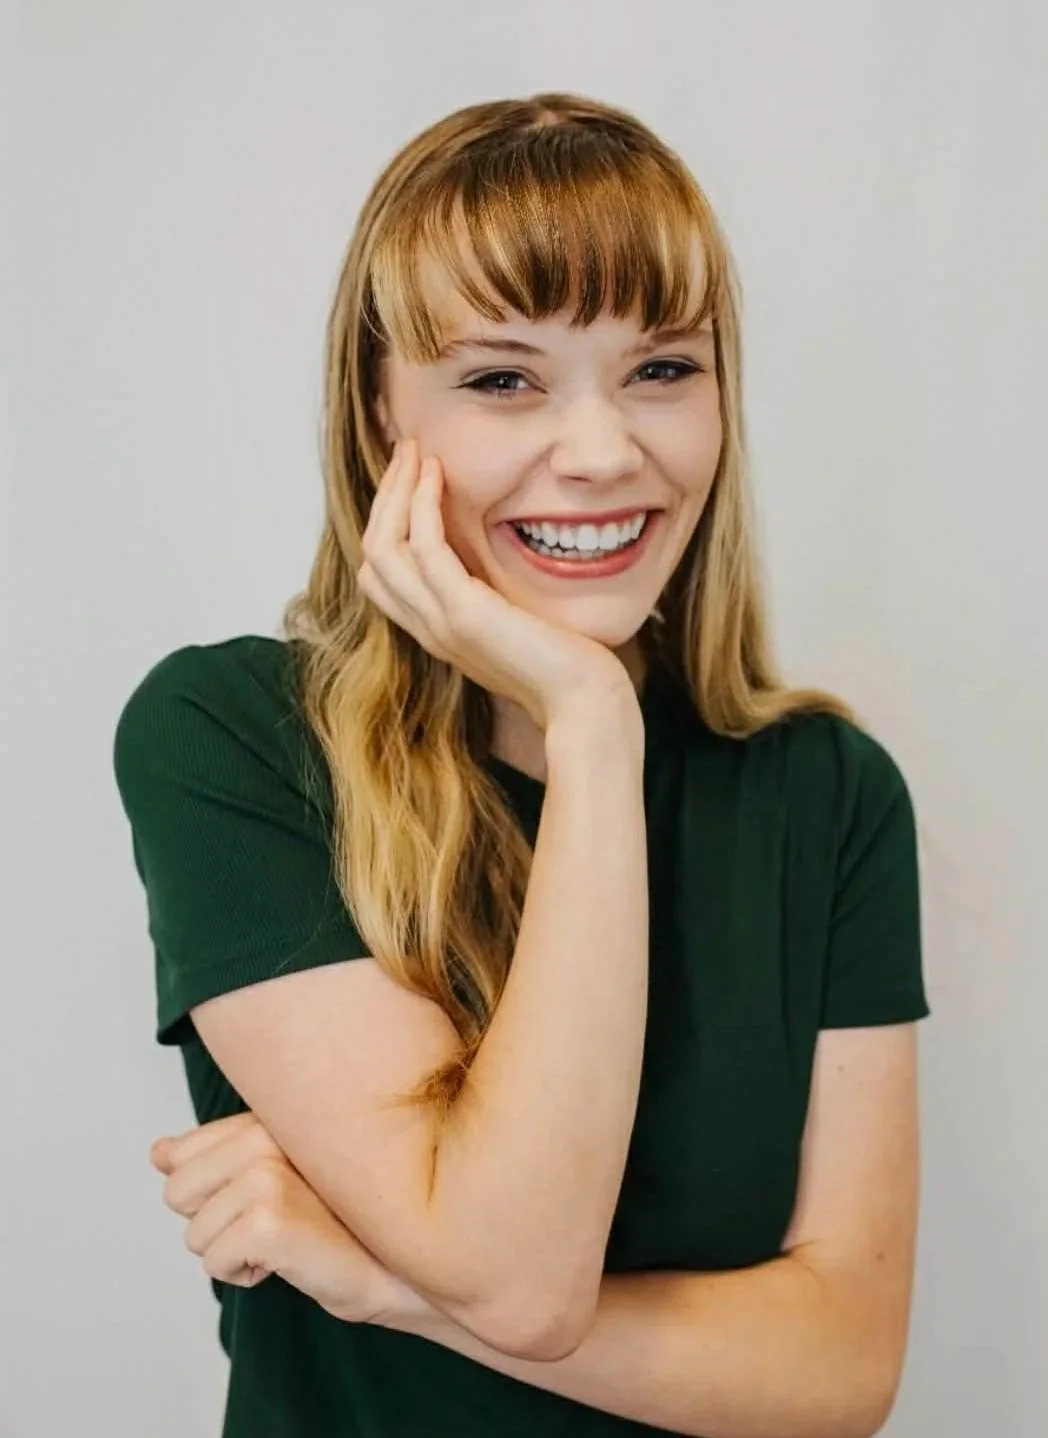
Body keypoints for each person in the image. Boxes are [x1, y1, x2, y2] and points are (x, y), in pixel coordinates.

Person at [113, 91, 930, 1438]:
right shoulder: (234, 737)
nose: (604, 454)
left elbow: (841, 1369)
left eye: (662, 369)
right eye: (503, 379)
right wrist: (595, 724)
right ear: (380, 414)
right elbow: (517, 1274)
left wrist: (388, 1284)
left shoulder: (825, 793)